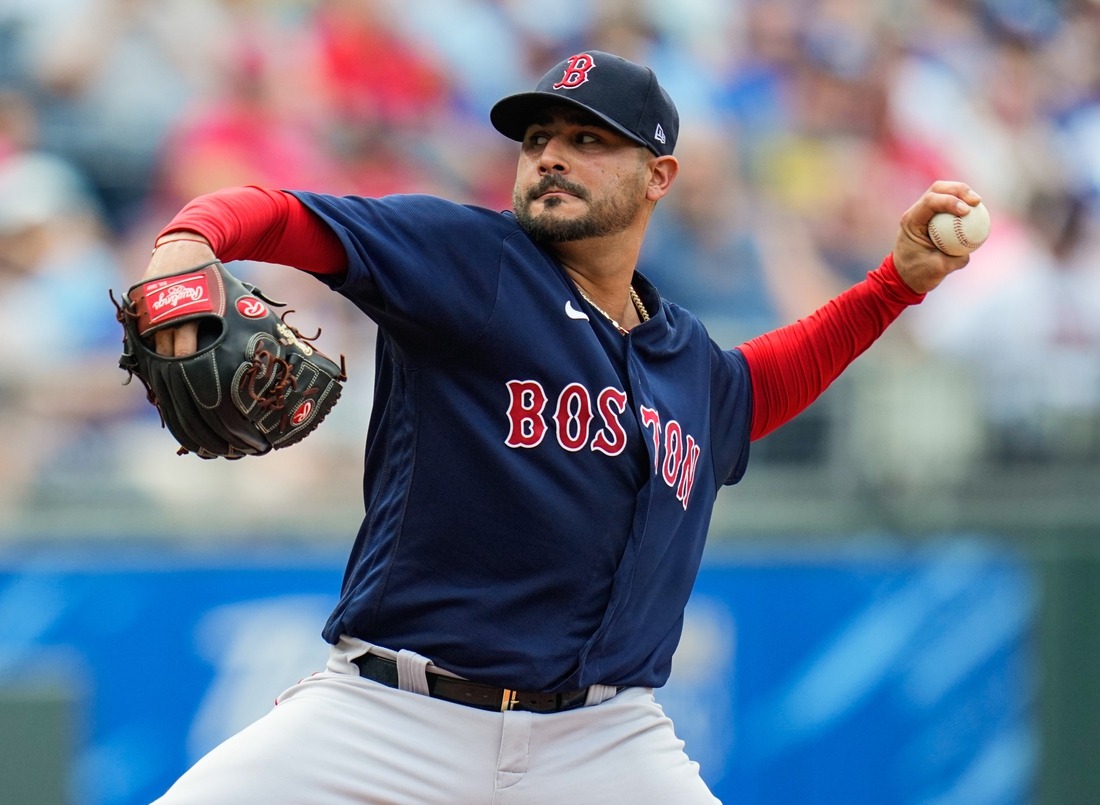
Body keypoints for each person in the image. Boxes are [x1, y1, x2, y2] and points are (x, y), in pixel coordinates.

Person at [144, 51, 978, 804]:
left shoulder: (682, 352)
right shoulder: (470, 262)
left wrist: (893, 285)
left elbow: (753, 388)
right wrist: (188, 243)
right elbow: (282, 215)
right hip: (393, 720)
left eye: (590, 139)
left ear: (659, 176)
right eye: (538, 136)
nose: (551, 154)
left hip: (604, 741)